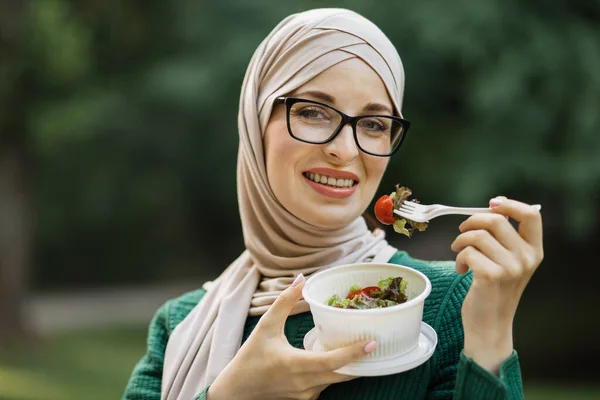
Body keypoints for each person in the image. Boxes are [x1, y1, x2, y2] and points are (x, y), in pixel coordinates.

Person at [122, 8, 543, 400]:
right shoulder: (180, 324)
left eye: (375, 124)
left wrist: (491, 328)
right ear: (255, 124)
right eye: (313, 112)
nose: (345, 150)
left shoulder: (446, 303)